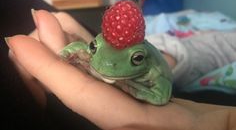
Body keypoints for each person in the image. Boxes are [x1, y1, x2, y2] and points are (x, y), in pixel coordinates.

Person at [5, 10, 236, 130]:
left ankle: (175, 51)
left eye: (135, 58)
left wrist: (133, 87)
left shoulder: (153, 69)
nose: (107, 65)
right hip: (144, 45)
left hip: (165, 55)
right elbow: (83, 47)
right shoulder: (99, 50)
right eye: (95, 46)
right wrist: (68, 55)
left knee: (211, 45)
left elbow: (163, 93)